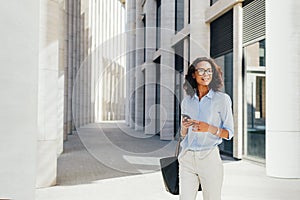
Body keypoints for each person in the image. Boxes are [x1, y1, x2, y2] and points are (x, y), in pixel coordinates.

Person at [179, 57, 234, 200]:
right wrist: (184, 127)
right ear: (193, 74)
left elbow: (229, 133)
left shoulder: (222, 100)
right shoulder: (187, 101)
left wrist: (208, 128)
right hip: (187, 157)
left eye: (209, 71)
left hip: (209, 158)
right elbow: (183, 135)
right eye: (201, 70)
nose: (206, 74)